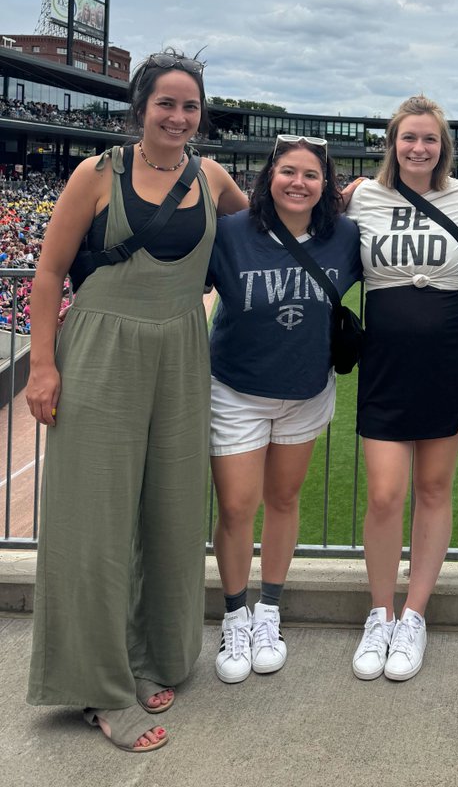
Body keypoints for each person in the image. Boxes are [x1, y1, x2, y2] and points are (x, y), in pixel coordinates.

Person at [25, 49, 247, 753]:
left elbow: (268, 226)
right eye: (166, 104)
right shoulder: (97, 174)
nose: (179, 117)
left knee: (173, 514)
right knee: (94, 519)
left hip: (182, 350)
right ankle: (99, 688)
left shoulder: (212, 176)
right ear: (141, 107)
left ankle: (151, 655)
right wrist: (40, 367)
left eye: (190, 106)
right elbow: (49, 272)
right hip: (99, 349)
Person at [206, 134, 361, 684]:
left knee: (285, 499)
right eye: (288, 171)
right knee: (236, 507)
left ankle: (269, 607)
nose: (299, 183)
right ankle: (234, 614)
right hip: (236, 388)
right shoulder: (230, 234)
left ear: (328, 186)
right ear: (269, 176)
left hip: (305, 390)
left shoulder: (343, 236)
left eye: (312, 175)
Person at [345, 96, 458, 682]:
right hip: (385, 357)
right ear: (393, 144)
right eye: (409, 139)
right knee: (384, 494)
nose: (419, 148)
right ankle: (379, 611)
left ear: (442, 146)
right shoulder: (361, 198)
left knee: (433, 488)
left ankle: (414, 614)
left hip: (448, 351)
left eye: (429, 139)